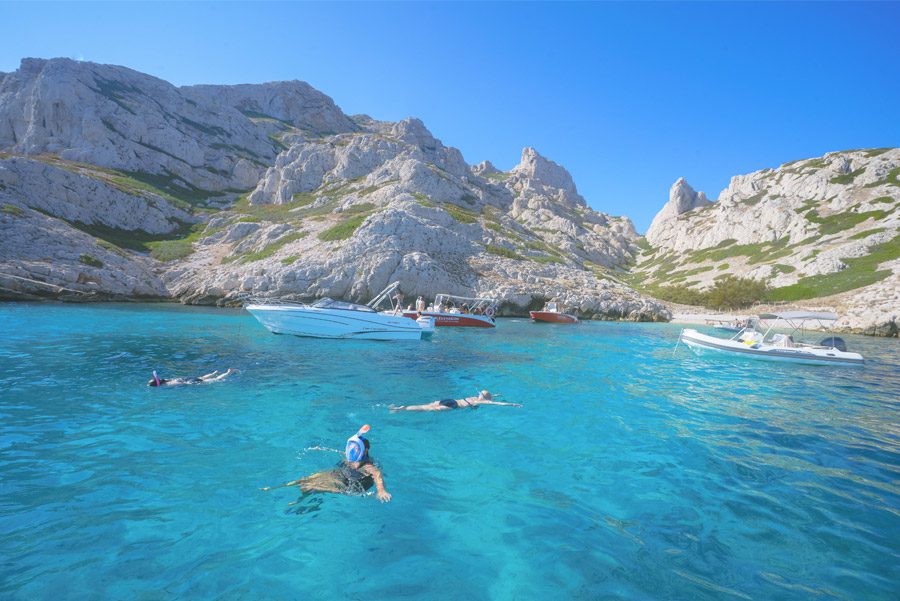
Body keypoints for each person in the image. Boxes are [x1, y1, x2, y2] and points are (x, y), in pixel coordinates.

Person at [260, 425, 391, 503]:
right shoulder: (350, 458)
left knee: (311, 487)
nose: (351, 450)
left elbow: (378, 476)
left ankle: (300, 503)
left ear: (364, 450)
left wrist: (381, 491)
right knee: (306, 479)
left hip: (352, 486)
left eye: (355, 448)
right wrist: (323, 449)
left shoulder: (368, 466)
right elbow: (339, 452)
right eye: (351, 447)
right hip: (341, 475)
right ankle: (276, 488)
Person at [391, 390, 521, 411]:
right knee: (428, 410)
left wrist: (495, 394)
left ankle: (404, 407)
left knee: (426, 406)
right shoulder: (482, 402)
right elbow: (499, 404)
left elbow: (487, 396)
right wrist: (512, 404)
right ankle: (404, 410)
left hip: (450, 399)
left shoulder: (474, 397)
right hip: (453, 406)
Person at [147, 369, 237, 387]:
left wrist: (189, 384)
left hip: (188, 381)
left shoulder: (168, 384)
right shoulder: (166, 379)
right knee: (202, 377)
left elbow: (180, 383)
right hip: (185, 378)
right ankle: (214, 373)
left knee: (216, 380)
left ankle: (229, 372)